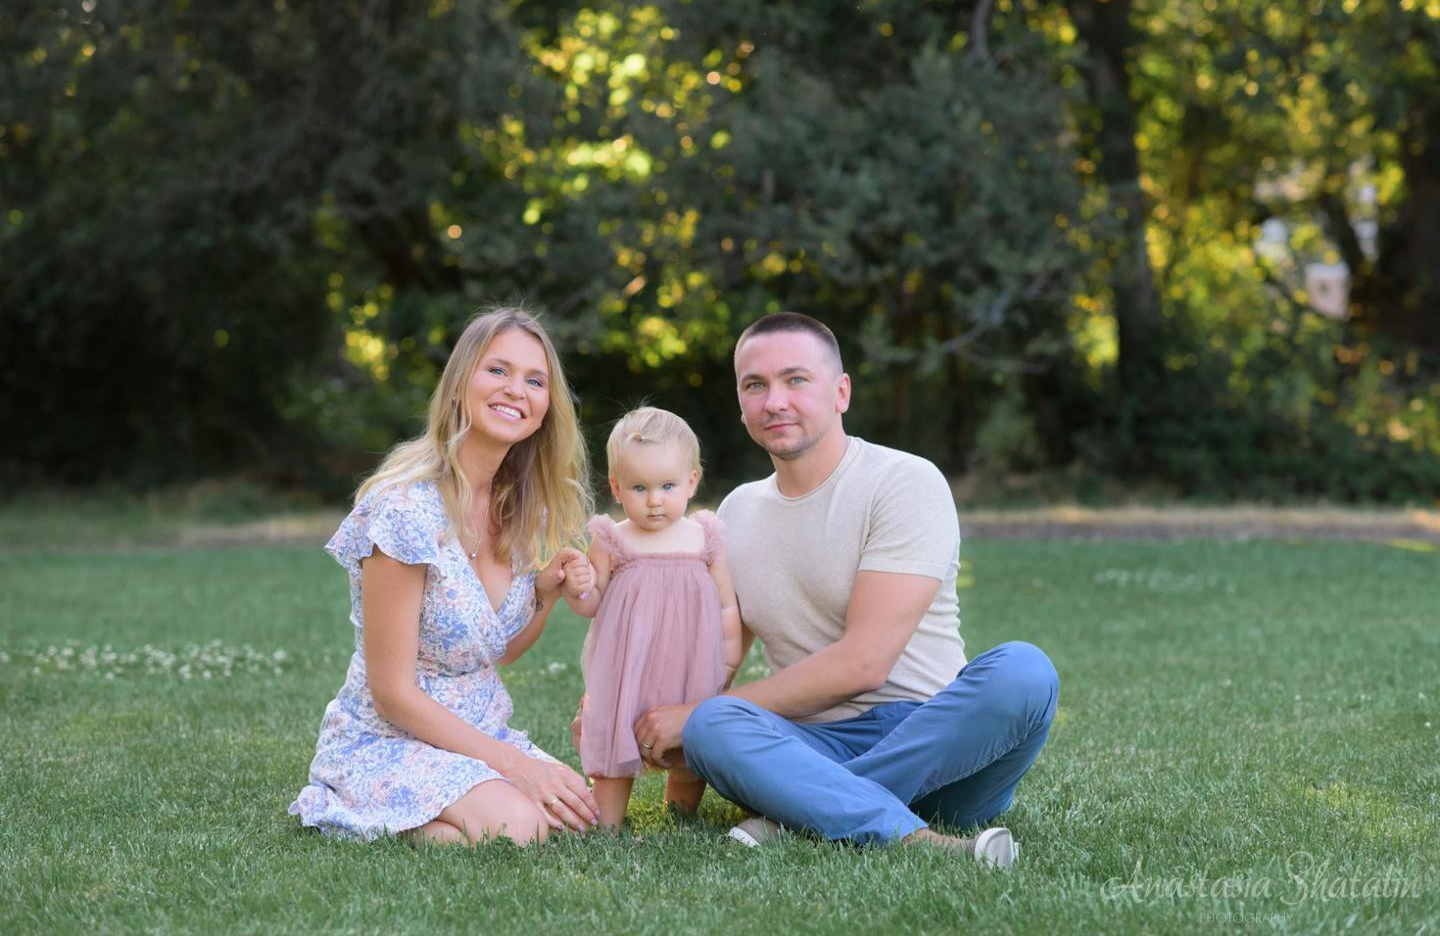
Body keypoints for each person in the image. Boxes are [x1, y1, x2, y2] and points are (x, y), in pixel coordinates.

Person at [629, 312, 1058, 866]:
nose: (774, 400)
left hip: (939, 744)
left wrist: (696, 716)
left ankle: (800, 814)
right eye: (754, 385)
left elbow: (864, 664)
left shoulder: (905, 481)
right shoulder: (734, 513)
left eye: (795, 380)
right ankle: (862, 817)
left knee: (1024, 671)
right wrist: (643, 708)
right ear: (740, 404)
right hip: (807, 745)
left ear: (841, 392)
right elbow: (718, 652)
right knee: (714, 724)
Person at [290, 306, 601, 846]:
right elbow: (392, 693)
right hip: (387, 738)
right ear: (461, 383)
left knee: (580, 816)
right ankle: (353, 809)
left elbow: (496, 650)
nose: (516, 390)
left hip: (476, 733)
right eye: (497, 370)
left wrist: (544, 597)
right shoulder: (406, 510)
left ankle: (462, 804)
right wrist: (516, 766)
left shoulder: (522, 509)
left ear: (547, 407)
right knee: (518, 829)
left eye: (534, 380)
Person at [573, 408, 743, 830]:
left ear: (691, 481)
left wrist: (729, 658)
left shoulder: (704, 537)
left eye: (667, 486)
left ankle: (680, 815)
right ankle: (607, 821)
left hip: (690, 662)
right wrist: (579, 585)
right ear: (616, 487)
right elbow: (592, 602)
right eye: (639, 487)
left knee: (687, 747)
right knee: (616, 736)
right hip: (629, 665)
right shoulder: (613, 539)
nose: (654, 500)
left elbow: (726, 604)